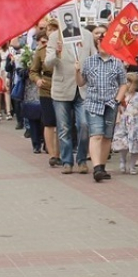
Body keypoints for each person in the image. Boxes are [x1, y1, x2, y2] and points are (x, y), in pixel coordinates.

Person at [75, 25, 127, 182]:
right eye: (100, 42)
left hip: (111, 104)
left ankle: (102, 166)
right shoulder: (89, 62)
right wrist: (76, 71)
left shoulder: (117, 63)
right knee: (96, 134)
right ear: (97, 44)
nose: (103, 45)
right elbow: (81, 82)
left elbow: (123, 83)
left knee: (106, 137)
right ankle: (96, 167)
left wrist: (118, 99)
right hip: (93, 103)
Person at [45, 16, 96, 174]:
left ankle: (81, 159)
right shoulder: (55, 36)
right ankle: (67, 161)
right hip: (62, 89)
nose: (68, 20)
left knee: (84, 125)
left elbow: (94, 57)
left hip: (83, 88)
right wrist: (57, 53)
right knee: (64, 127)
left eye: (71, 16)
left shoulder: (86, 35)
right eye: (65, 17)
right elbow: (48, 63)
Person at [30, 24, 60, 167]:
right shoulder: (42, 51)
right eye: (50, 30)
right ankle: (52, 154)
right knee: (49, 122)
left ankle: (61, 154)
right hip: (46, 88)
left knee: (62, 123)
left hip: (63, 87)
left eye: (55, 29)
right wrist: (37, 80)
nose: (52, 32)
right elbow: (33, 71)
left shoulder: (65, 48)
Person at [111, 72, 138, 175]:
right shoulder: (122, 96)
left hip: (135, 122)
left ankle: (132, 165)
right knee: (123, 143)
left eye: (131, 83)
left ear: (136, 84)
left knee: (135, 143)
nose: (129, 84)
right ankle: (122, 160)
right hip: (124, 121)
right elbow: (118, 108)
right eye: (127, 82)